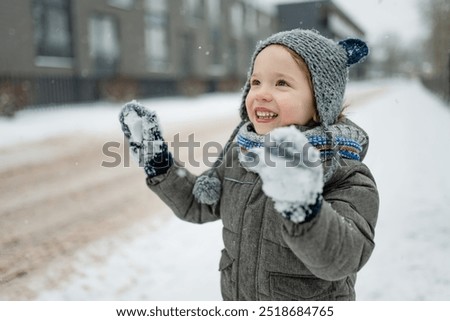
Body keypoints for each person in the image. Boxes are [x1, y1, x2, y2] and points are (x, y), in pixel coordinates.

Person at [119, 29, 379, 301]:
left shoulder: (346, 175)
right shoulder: (242, 157)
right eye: (256, 82)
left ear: (320, 104)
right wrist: (159, 163)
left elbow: (342, 258)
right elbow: (198, 205)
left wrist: (305, 206)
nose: (262, 93)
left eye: (281, 83)